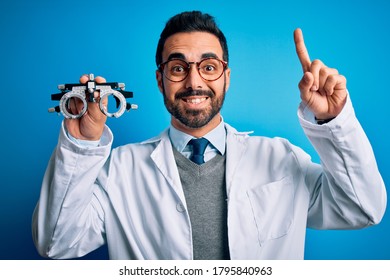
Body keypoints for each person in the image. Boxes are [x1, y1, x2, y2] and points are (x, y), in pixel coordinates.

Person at [32, 10, 386, 260]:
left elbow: (363, 208)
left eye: (209, 67)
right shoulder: (120, 171)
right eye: (177, 68)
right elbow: (56, 243)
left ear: (226, 77)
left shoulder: (281, 160)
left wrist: (334, 121)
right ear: (160, 81)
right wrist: (79, 145)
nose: (194, 81)